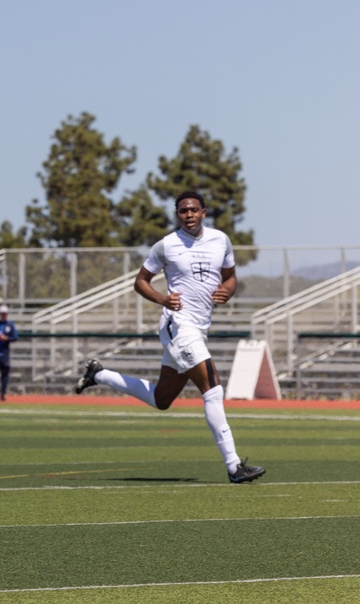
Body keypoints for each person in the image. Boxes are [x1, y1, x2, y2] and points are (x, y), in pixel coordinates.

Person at [74, 191, 266, 484]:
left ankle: (99, 375)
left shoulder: (221, 240)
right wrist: (163, 299)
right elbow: (140, 282)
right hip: (179, 325)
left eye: (193, 210)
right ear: (177, 215)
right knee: (212, 389)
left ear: (204, 212)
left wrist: (229, 289)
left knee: (161, 399)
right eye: (183, 211)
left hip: (199, 327)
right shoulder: (166, 245)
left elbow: (230, 277)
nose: (188, 215)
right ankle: (234, 466)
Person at [0, 304, 18, 401]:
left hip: (5, 352)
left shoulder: (10, 324)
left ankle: (3, 393)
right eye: (2, 313)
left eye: (5, 313)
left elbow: (15, 337)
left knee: (5, 373)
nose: (3, 315)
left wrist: (6, 338)